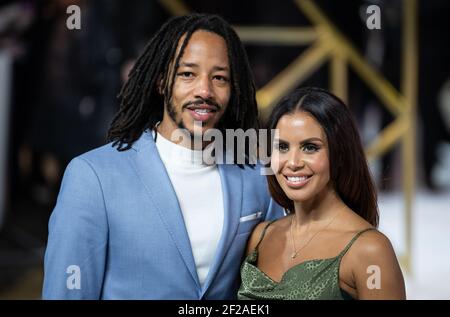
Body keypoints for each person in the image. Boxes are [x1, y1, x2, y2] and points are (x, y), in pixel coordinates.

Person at [42, 13, 283, 299]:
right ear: (160, 82)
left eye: (219, 78)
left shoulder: (258, 177)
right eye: (187, 74)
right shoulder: (92, 177)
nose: (204, 90)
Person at [238, 87, 406, 300]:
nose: (293, 163)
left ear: (340, 154)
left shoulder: (370, 251)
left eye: (310, 147)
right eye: (282, 147)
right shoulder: (259, 238)